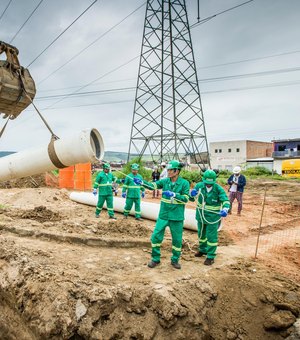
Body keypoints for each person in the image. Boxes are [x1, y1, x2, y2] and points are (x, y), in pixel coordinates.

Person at [134, 160, 190, 270]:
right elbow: (152, 186)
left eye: (170, 170)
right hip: (164, 215)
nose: (168, 171)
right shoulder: (165, 182)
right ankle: (155, 258)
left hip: (177, 217)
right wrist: (141, 182)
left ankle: (175, 260)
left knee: (177, 240)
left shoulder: (184, 183)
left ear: (177, 171)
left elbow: (186, 198)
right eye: (167, 169)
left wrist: (174, 194)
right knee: (155, 236)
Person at [190, 169, 230, 266]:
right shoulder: (199, 186)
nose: (208, 185)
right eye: (206, 183)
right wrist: (191, 195)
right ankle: (203, 249)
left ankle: (211, 256)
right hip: (200, 215)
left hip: (212, 218)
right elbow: (191, 199)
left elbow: (225, 200)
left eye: (210, 183)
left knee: (211, 237)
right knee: (201, 235)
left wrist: (225, 209)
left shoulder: (218, 189)